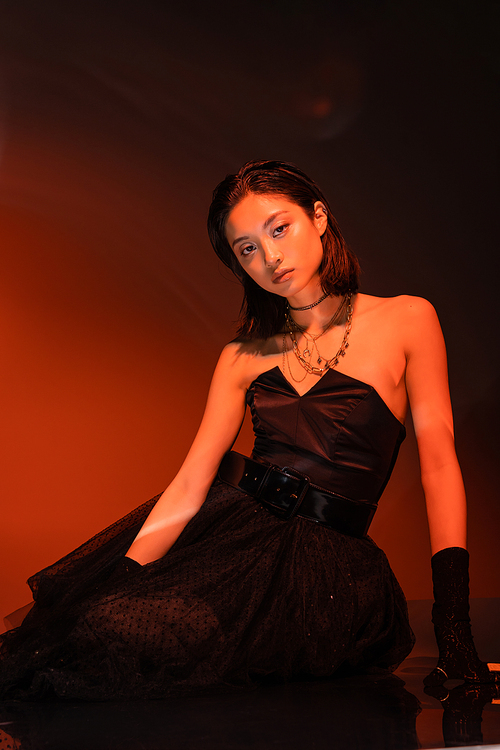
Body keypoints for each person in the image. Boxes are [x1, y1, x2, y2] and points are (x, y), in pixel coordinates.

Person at [0, 160, 496, 701]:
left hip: (329, 572)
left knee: (133, 642)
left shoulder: (408, 318)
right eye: (247, 249)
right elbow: (192, 483)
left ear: (319, 217)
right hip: (232, 536)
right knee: (98, 622)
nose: (270, 257)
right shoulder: (241, 355)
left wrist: (453, 632)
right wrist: (121, 574)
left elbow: (440, 464)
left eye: (279, 228)